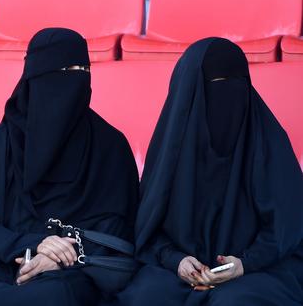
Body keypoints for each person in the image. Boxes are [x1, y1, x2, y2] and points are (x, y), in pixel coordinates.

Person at [0, 28, 139, 306]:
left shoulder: (109, 147)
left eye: (82, 69)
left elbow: (117, 225)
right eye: (64, 70)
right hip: (0, 257)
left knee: (53, 296)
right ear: (35, 77)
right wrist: (29, 244)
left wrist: (60, 255)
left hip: (74, 268)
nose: (75, 80)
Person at [116, 37, 303, 306]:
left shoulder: (267, 143)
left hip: (258, 269)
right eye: (214, 87)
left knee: (237, 301)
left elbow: (286, 227)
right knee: (148, 297)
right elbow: (148, 228)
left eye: (237, 83)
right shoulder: (171, 151)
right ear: (189, 96)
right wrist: (176, 260)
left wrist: (245, 264)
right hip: (177, 269)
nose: (228, 96)